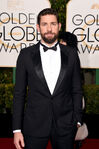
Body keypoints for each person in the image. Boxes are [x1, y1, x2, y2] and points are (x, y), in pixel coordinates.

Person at [13, 8, 83, 149]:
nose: (49, 28)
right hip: (34, 125)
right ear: (38, 27)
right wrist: (17, 130)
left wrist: (77, 121)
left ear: (59, 26)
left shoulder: (72, 54)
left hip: (66, 126)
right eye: (44, 24)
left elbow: (77, 89)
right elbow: (19, 94)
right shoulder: (25, 55)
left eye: (53, 24)